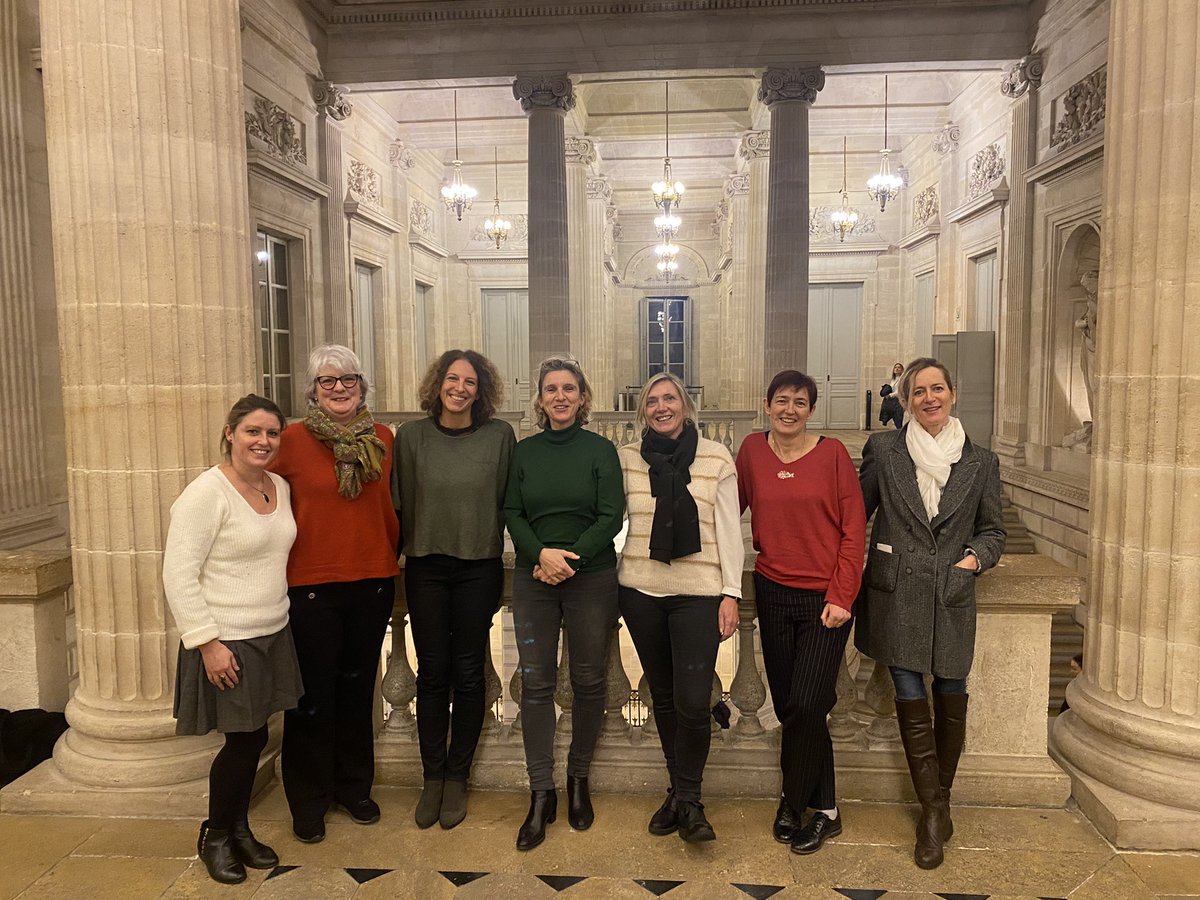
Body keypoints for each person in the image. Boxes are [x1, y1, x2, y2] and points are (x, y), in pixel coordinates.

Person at [856, 357, 1006, 870]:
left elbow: (994, 531)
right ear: (906, 399)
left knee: (950, 692)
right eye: (918, 391)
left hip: (952, 594)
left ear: (953, 394)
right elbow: (856, 512)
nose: (929, 398)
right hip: (896, 593)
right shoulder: (884, 449)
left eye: (937, 388)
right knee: (910, 692)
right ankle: (934, 814)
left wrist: (974, 561)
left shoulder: (982, 462)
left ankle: (936, 805)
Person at [163, 395, 303, 884]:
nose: (263, 441)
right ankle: (216, 835)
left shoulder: (280, 487)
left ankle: (239, 827)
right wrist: (207, 643)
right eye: (252, 431)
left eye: (271, 433)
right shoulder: (206, 493)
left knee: (257, 736)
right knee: (243, 742)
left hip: (272, 630)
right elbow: (178, 574)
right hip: (229, 639)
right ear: (230, 433)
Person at [271, 345, 401, 843]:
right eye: (328, 381)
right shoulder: (290, 441)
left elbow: (395, 507)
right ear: (313, 390)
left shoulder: (384, 439)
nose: (340, 387)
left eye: (349, 379)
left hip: (371, 581)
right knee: (310, 697)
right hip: (308, 588)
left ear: (362, 386)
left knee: (356, 691)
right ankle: (308, 798)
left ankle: (353, 788)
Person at [736, 370, 866, 856]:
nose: (789, 409)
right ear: (767, 404)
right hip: (772, 592)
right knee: (792, 705)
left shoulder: (833, 455)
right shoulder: (751, 451)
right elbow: (729, 508)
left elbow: (854, 532)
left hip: (825, 600)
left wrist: (842, 595)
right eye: (781, 400)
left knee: (810, 704)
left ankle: (813, 805)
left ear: (811, 409)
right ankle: (802, 806)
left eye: (800, 402)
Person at [504, 355, 625, 851]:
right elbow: (512, 510)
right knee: (535, 683)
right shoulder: (525, 452)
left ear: (582, 397)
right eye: (551, 388)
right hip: (533, 579)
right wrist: (540, 556)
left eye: (569, 388)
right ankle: (540, 791)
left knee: (589, 680)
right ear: (540, 398)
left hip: (590, 577)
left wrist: (567, 561)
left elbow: (611, 515)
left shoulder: (600, 450)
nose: (559, 396)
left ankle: (577, 779)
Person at [617, 372, 742, 843]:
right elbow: (617, 522)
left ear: (686, 406)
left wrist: (731, 592)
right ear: (642, 410)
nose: (661, 406)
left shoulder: (715, 457)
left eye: (670, 398)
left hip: (699, 592)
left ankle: (689, 798)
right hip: (641, 589)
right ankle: (679, 793)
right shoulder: (627, 459)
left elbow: (728, 527)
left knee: (693, 700)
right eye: (652, 400)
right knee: (664, 697)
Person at [393, 349, 515, 830]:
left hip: (479, 567)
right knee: (432, 672)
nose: (460, 387)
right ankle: (433, 776)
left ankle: (458, 776)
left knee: (468, 670)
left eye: (469, 381)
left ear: (480, 390)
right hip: (425, 566)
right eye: (451, 378)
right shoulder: (412, 438)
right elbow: (398, 504)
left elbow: (511, 502)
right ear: (437, 384)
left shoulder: (500, 437)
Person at [879, 362, 904, 430]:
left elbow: (900, 391)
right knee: (893, 419)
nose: (897, 369)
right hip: (893, 401)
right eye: (895, 367)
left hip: (899, 401)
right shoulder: (893, 379)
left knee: (898, 418)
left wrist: (890, 395)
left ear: (902, 370)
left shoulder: (902, 379)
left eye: (899, 367)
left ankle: (900, 434)